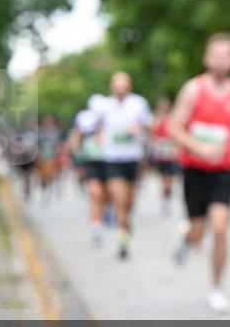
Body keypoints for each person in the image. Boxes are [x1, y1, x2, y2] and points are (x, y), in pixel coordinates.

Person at [168, 33, 230, 313]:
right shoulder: (193, 89)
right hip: (195, 170)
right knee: (199, 231)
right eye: (215, 54)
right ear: (206, 58)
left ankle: (216, 288)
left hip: (225, 170)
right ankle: (187, 236)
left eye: (226, 55)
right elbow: (173, 128)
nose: (221, 60)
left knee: (221, 227)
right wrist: (198, 146)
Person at [94, 72, 153, 260]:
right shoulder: (104, 105)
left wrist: (140, 129)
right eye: (116, 85)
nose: (120, 89)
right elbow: (96, 127)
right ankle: (123, 240)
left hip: (133, 159)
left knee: (129, 202)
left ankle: (125, 223)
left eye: (123, 85)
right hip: (112, 159)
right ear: (111, 87)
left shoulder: (138, 103)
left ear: (129, 86)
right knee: (119, 200)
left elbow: (150, 126)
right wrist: (100, 137)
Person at [69, 102, 108, 246]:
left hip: (109, 161)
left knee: (105, 195)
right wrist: (75, 150)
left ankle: (103, 216)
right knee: (95, 193)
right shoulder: (84, 120)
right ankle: (96, 224)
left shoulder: (111, 118)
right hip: (91, 161)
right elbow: (76, 135)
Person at [151, 96, 180, 215]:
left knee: (169, 177)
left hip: (171, 153)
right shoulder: (156, 118)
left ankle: (167, 195)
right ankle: (164, 196)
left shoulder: (172, 118)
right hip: (161, 152)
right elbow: (152, 133)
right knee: (164, 177)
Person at [35, 114, 63, 202]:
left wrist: (59, 151)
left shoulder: (55, 131)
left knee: (51, 173)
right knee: (42, 175)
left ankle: (50, 191)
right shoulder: (40, 131)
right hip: (42, 155)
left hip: (52, 155)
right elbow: (37, 144)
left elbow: (58, 143)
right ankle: (43, 188)